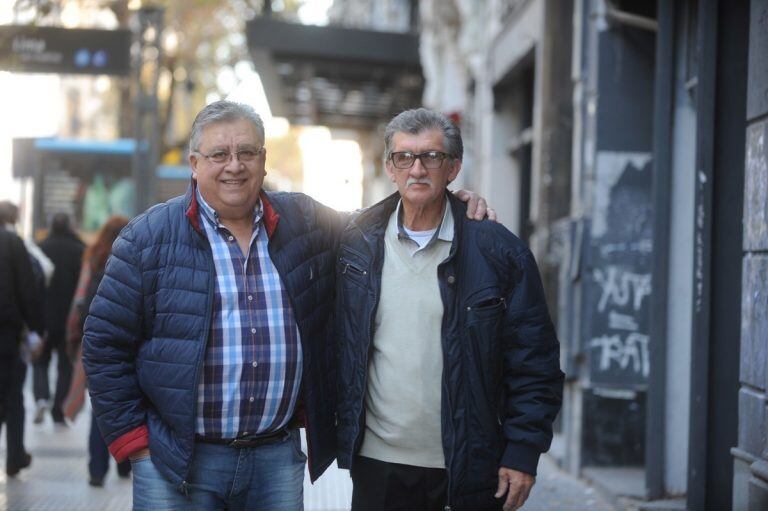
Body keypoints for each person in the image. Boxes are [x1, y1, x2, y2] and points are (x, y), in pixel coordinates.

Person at [82, 100, 491, 509]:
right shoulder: (146, 239)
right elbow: (103, 343)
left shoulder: (305, 221)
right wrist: (136, 445)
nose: (234, 166)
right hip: (178, 462)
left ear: (263, 159)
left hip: (275, 459)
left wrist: (447, 202)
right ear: (194, 163)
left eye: (246, 152)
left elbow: (374, 227)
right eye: (219, 155)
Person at [335, 108, 564, 511]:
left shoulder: (498, 252)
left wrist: (522, 452)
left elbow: (535, 362)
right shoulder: (356, 245)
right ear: (390, 167)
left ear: (453, 168)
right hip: (377, 463)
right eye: (404, 157)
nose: (417, 169)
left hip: (470, 465)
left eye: (431, 157)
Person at [67, 216, 132, 486]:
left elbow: (81, 296)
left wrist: (74, 330)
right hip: (127, 341)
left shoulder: (93, 257)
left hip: (96, 339)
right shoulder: (132, 256)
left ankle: (96, 469)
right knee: (128, 405)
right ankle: (124, 463)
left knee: (100, 406)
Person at [0, 204, 44, 478]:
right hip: (6, 332)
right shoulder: (12, 243)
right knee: (13, 396)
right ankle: (15, 455)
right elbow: (27, 289)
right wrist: (36, 329)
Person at [36, 212, 85, 424]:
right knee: (65, 365)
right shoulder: (79, 250)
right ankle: (59, 410)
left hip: (43, 318)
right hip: (69, 320)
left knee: (40, 360)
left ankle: (41, 397)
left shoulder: (40, 248)